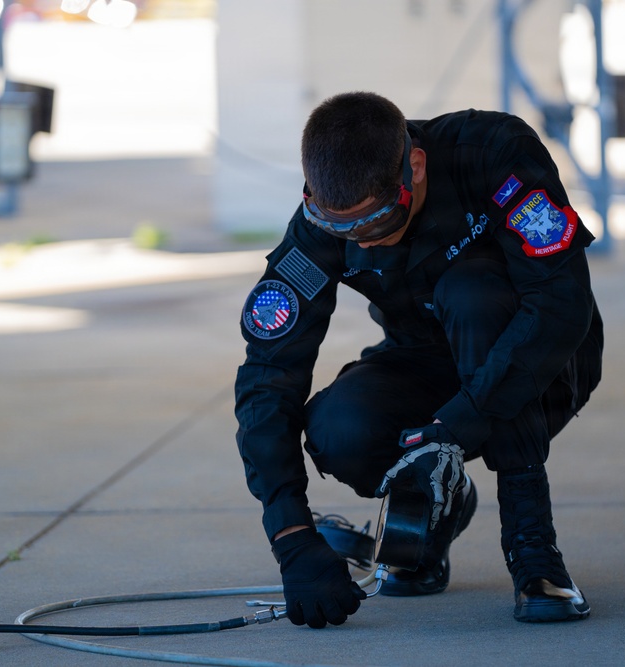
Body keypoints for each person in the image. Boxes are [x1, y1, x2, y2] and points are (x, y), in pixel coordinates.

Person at [234, 91, 603, 629]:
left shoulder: (492, 153)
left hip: (541, 362)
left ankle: (534, 552)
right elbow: (269, 376)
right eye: (343, 229)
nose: (364, 239)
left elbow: (559, 302)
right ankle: (437, 512)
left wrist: (458, 426)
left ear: (416, 166)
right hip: (423, 362)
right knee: (340, 427)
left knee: (474, 295)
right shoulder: (322, 222)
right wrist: (291, 537)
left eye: (378, 218)